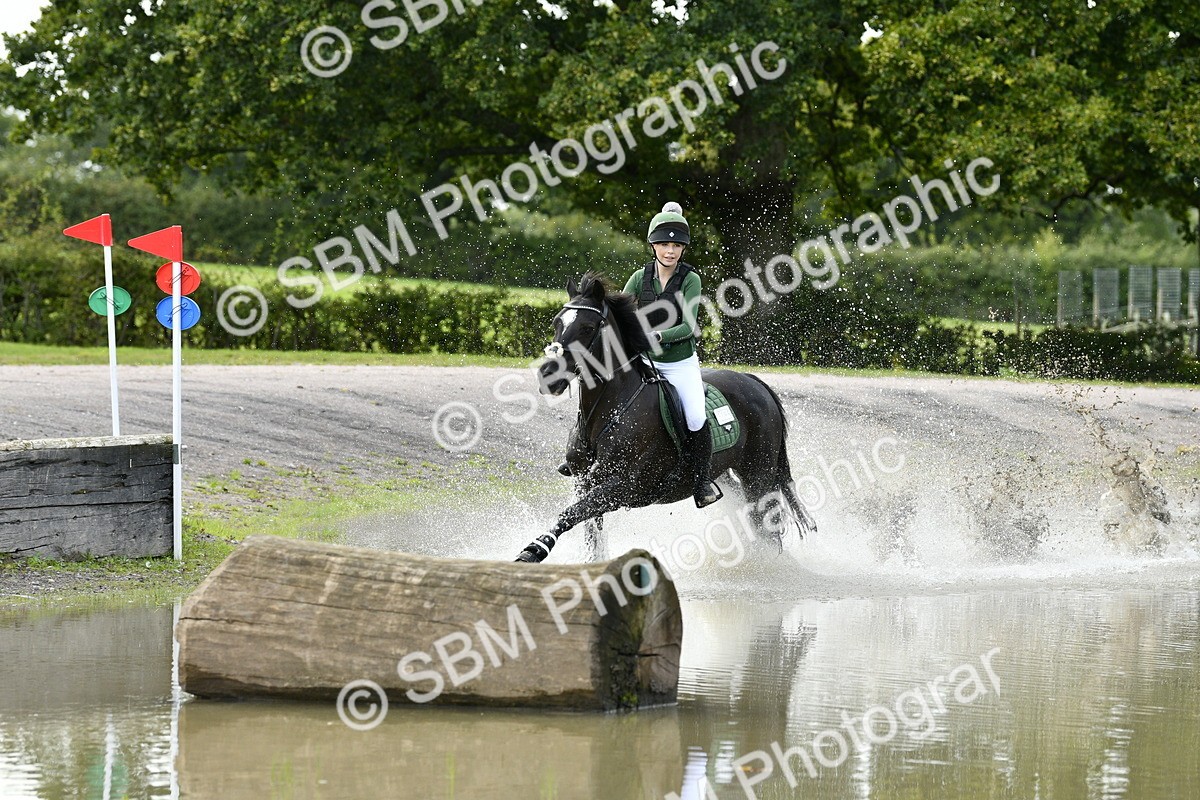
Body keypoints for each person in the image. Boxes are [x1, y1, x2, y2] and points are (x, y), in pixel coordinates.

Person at [557, 201, 722, 508]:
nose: (670, 251)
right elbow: (619, 315)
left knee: (697, 415)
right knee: (601, 388)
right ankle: (580, 453)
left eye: (676, 245)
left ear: (683, 249)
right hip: (644, 359)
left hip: (679, 363)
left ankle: (701, 483)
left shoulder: (690, 279)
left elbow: (688, 326)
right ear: (653, 246)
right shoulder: (638, 278)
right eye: (663, 244)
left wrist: (656, 335)